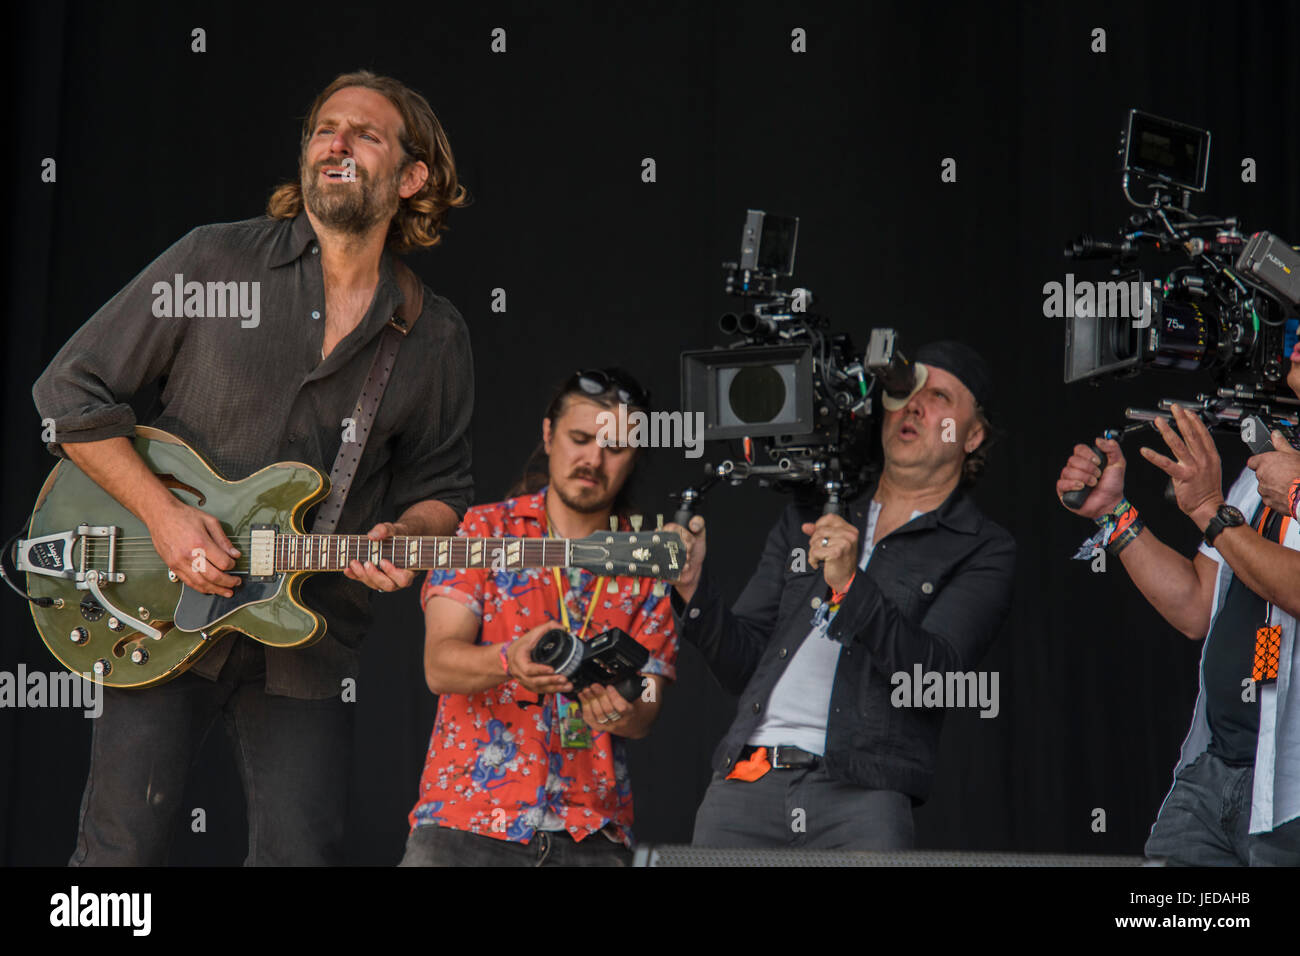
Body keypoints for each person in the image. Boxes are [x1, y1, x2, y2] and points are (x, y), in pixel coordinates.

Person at [31, 70, 473, 865]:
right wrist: (166, 521)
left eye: (364, 133)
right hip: (155, 605)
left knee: (302, 855)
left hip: (308, 638)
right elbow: (67, 393)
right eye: (323, 128)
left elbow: (440, 489)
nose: (334, 142)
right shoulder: (212, 262)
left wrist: (405, 535)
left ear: (413, 178)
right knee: (117, 849)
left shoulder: (432, 333)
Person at [669, 341, 1016, 849]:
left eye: (939, 395)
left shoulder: (984, 546)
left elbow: (933, 679)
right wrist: (692, 586)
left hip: (862, 796)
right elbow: (742, 666)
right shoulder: (809, 513)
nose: (914, 404)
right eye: (904, 390)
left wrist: (852, 587)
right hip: (745, 780)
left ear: (974, 434)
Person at [400, 369, 679, 867]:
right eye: (580, 438)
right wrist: (509, 659)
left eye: (615, 448)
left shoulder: (646, 558)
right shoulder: (484, 530)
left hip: (591, 834)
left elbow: (654, 690)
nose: (594, 459)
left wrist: (627, 709)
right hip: (466, 824)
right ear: (548, 435)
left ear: (635, 456)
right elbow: (439, 665)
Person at [1058, 340, 1300, 865]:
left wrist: (1213, 511)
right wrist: (1115, 514)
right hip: (1218, 769)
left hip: (1292, 790)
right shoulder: (1270, 464)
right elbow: (1196, 604)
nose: (1294, 344)